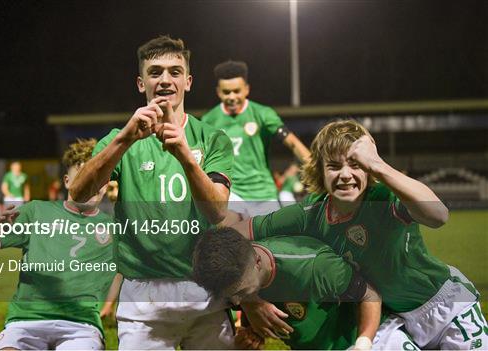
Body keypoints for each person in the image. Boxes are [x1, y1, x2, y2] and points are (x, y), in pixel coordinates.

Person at [232, 119, 488, 350]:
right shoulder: (310, 213)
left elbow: (439, 215)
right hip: (391, 319)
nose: (345, 175)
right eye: (333, 166)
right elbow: (229, 237)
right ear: (320, 171)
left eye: (355, 165)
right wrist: (250, 300)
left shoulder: (383, 199)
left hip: (445, 306)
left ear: (367, 168)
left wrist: (377, 164)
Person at [69, 35, 235, 349]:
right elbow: (78, 194)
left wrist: (185, 155)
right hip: (142, 297)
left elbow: (217, 210)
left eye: (175, 71)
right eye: (155, 72)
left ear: (188, 82)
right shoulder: (120, 138)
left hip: (205, 292)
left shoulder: (212, 139)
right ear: (140, 83)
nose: (165, 80)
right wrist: (123, 141)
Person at [0, 138, 116, 350]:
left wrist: (110, 304)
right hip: (26, 320)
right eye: (83, 178)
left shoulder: (114, 226)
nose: (90, 185)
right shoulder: (36, 211)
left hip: (81, 326)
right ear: (67, 181)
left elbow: (122, 267)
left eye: (98, 179)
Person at [193, 228, 422, 350]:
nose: (235, 303)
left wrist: (363, 344)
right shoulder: (237, 272)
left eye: (241, 293)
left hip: (375, 338)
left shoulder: (314, 266)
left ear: (257, 261)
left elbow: (370, 295)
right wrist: (252, 333)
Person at [201, 60, 311, 221]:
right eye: (226, 92)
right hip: (232, 193)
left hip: (263, 194)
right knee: (228, 237)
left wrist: (317, 169)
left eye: (236, 91)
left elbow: (292, 142)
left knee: (270, 244)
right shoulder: (208, 120)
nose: (232, 97)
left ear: (246, 89)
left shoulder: (263, 114)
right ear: (218, 92)